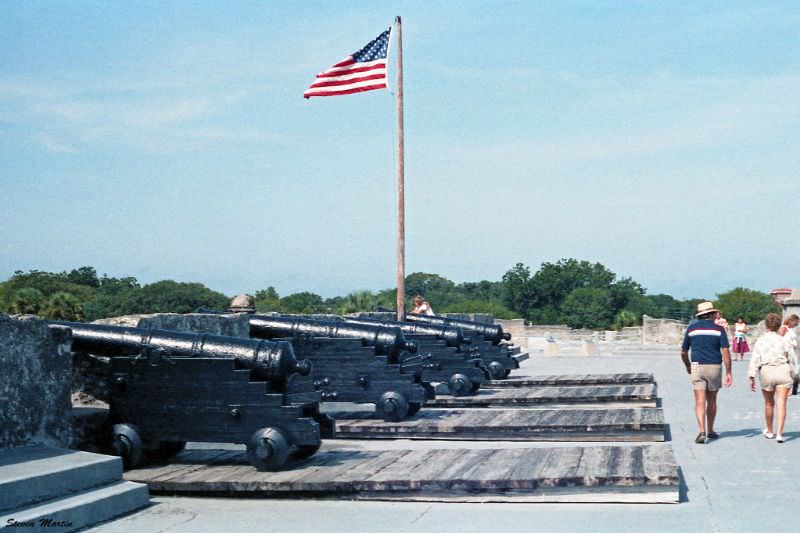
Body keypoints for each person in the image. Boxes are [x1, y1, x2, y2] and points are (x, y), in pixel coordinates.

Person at [681, 301, 733, 444]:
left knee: (699, 401)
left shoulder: (691, 329)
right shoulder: (719, 330)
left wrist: (687, 365)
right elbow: (726, 351)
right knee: (712, 400)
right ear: (710, 314)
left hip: (696, 365)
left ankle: (701, 431)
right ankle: (710, 429)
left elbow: (684, 351)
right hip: (714, 366)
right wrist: (729, 372)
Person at [749, 313, 795, 442]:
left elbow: (755, 359)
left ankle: (769, 431)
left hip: (767, 371)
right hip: (782, 370)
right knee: (782, 403)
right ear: (779, 325)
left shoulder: (761, 340)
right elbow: (791, 359)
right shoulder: (783, 340)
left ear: (766, 325)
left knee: (769, 403)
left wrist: (751, 376)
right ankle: (780, 433)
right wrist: (794, 375)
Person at [779, 314, 800, 394]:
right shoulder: (784, 328)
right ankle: (790, 388)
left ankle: (794, 386)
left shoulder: (790, 329)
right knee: (790, 370)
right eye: (796, 322)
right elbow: (780, 339)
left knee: (795, 370)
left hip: (792, 351)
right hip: (786, 351)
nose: (797, 324)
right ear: (791, 321)